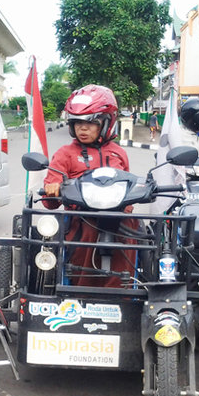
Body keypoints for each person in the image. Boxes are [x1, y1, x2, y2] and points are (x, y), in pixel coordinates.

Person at [42, 84, 137, 288]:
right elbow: (49, 201)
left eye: (91, 123)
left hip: (117, 219)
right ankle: (81, 293)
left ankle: (124, 293)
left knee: (133, 227)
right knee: (85, 232)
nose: (82, 129)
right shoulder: (64, 153)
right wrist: (53, 189)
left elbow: (130, 190)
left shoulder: (118, 152)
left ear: (106, 123)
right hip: (82, 219)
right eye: (77, 123)